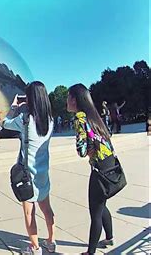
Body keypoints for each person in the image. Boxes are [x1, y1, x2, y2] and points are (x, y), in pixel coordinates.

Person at [3, 81, 56, 254]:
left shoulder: (24, 119)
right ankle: (51, 240)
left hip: (28, 175)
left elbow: (5, 123)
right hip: (43, 172)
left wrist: (14, 107)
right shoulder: (50, 120)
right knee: (47, 208)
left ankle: (34, 247)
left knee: (29, 212)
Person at [67, 84, 115, 254]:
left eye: (68, 97)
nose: (67, 101)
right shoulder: (95, 115)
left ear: (74, 99)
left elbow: (81, 151)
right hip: (110, 164)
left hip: (99, 170)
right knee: (102, 204)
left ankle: (90, 251)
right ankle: (109, 238)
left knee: (95, 210)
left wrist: (88, 147)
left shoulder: (80, 119)